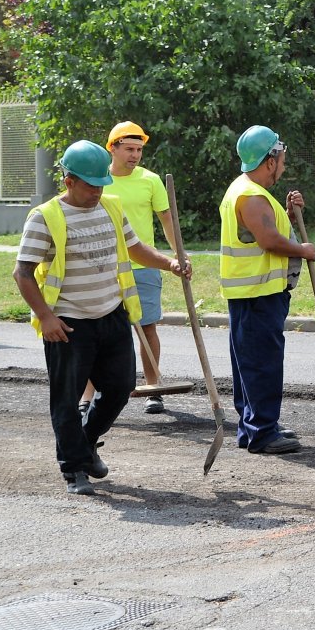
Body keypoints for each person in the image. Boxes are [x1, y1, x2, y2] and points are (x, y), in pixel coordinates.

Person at [14, 140, 191, 494]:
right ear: (69, 181)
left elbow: (134, 247)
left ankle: (86, 441)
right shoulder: (45, 217)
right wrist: (45, 317)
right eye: (90, 185)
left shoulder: (110, 206)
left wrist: (169, 263)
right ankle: (74, 468)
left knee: (121, 388)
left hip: (111, 316)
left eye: (101, 184)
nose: (97, 191)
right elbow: (23, 273)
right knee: (66, 400)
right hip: (68, 324)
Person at [220, 125, 315, 454]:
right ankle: (262, 431)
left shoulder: (248, 190)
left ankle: (254, 426)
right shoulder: (251, 196)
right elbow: (268, 240)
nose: (284, 167)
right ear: (270, 160)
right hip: (257, 294)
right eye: (282, 161)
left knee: (250, 364)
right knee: (261, 364)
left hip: (254, 293)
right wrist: (304, 250)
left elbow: (262, 231)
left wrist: (289, 214)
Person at [104, 121, 181, 413]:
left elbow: (167, 220)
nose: (135, 155)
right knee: (101, 333)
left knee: (147, 328)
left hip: (143, 265)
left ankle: (153, 390)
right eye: (129, 149)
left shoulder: (150, 180)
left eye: (139, 150)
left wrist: (179, 254)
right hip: (105, 268)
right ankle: (90, 398)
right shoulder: (98, 180)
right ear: (112, 149)